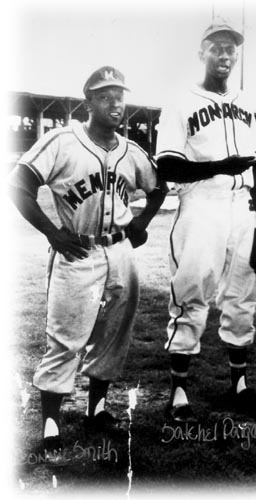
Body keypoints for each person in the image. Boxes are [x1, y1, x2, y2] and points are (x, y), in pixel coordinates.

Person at [9, 66, 167, 452]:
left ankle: (95, 410)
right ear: (88, 102)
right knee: (65, 337)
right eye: (104, 95)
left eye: (120, 95)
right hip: (77, 250)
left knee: (115, 333)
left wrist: (141, 222)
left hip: (120, 251)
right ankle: (50, 423)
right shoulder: (62, 141)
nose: (115, 103)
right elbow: (18, 185)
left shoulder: (132, 151)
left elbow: (158, 187)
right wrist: (52, 232)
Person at [156, 22, 256, 424]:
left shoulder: (243, 102)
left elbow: (254, 170)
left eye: (231, 50)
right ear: (201, 53)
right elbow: (168, 164)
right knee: (192, 294)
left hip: (242, 207)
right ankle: (179, 394)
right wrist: (220, 166)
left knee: (241, 298)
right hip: (202, 205)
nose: (225, 56)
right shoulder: (181, 101)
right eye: (217, 48)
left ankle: (239, 386)